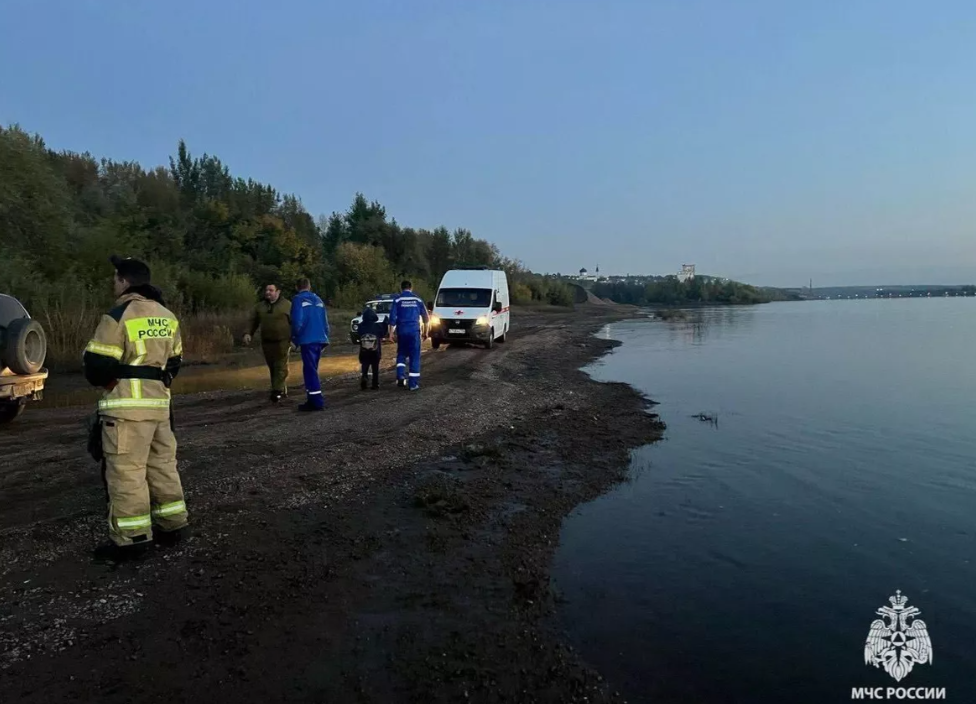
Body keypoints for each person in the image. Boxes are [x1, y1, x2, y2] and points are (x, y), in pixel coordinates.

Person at [83, 255, 189, 561]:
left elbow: (97, 364)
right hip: (159, 406)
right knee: (162, 466)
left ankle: (132, 539)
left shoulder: (118, 316)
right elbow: (175, 361)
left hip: (126, 408)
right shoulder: (167, 316)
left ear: (124, 281)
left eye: (115, 278)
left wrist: (111, 383)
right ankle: (173, 525)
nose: (112, 283)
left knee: (127, 472)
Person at [243, 283, 292, 403]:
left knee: (281, 366)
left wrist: (296, 339)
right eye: (266, 290)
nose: (268, 292)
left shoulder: (287, 305)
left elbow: (295, 322)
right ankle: (281, 389)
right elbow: (252, 320)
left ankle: (277, 392)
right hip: (267, 342)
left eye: (271, 290)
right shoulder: (260, 307)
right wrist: (248, 333)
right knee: (272, 367)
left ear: (278, 292)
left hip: (283, 341)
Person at [290, 278, 329, 411]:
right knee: (313, 369)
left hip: (308, 339)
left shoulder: (298, 300)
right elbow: (325, 321)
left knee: (310, 370)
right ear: (309, 286)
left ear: (297, 287)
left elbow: (297, 321)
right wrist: (325, 339)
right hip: (320, 339)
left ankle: (316, 402)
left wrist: (295, 339)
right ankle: (312, 398)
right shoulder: (318, 300)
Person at [388, 280, 429, 390]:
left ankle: (401, 376)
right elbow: (426, 318)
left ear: (401, 288)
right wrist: (426, 332)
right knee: (414, 356)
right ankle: (413, 384)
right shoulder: (417, 299)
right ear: (411, 288)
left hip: (401, 331)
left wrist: (391, 333)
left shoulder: (397, 299)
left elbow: (392, 318)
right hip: (414, 332)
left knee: (401, 354)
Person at [357, 306, 388, 390]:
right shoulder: (377, 326)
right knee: (375, 367)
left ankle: (364, 377)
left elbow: (358, 335)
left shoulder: (360, 326)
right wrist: (386, 320)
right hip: (375, 351)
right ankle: (375, 384)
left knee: (365, 365)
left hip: (364, 351)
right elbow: (383, 332)